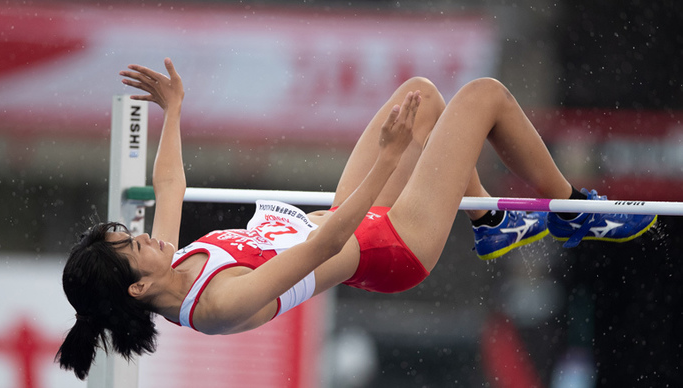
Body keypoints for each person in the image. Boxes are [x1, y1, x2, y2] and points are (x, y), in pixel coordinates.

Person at [56, 58, 656, 379]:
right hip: (388, 247)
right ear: (137, 285)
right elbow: (324, 249)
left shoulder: (171, 268)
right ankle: (575, 209)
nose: (147, 236)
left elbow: (170, 184)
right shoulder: (215, 306)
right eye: (134, 243)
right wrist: (391, 158)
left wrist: (176, 110)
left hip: (352, 219)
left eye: (133, 231)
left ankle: (492, 223)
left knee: (419, 96)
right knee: (485, 96)